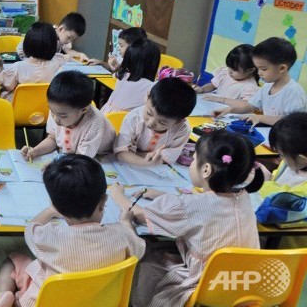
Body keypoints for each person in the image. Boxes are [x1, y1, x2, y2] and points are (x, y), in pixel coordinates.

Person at [111, 130, 263, 307]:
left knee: (146, 259)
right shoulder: (243, 197)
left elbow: (141, 216)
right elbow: (201, 205)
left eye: (194, 158)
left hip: (207, 287)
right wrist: (161, 195)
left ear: (206, 169)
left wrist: (118, 195)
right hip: (245, 285)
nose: (191, 163)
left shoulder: (193, 206)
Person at [0, 154, 145, 307]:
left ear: (57, 205)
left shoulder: (49, 236)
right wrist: (126, 222)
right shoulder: (121, 235)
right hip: (99, 301)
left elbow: (30, 229)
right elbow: (138, 245)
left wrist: (50, 211)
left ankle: (4, 296)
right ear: (103, 201)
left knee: (13, 259)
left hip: (44, 302)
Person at [22, 71, 115, 160]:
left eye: (63, 116)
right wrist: (36, 151)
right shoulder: (58, 111)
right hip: (72, 157)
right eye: (52, 112)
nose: (56, 119)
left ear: (84, 110)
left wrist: (59, 166)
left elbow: (82, 159)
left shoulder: (95, 123)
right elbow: (53, 139)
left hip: (101, 159)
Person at [214, 37, 307, 125]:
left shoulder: (294, 92)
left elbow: (292, 123)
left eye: (263, 69)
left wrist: (260, 118)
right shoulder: (267, 86)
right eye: (258, 68)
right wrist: (230, 110)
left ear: (282, 68)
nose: (259, 73)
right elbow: (250, 106)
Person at [114, 78, 196, 166]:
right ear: (147, 96)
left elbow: (168, 158)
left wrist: (135, 154)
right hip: (128, 166)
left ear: (179, 121)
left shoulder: (182, 129)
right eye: (149, 113)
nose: (150, 123)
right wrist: (144, 162)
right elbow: (121, 152)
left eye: (162, 122)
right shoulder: (134, 118)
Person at [0, 22, 66, 101]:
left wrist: (0, 67)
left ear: (26, 44)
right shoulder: (57, 63)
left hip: (19, 108)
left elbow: (6, 85)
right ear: (53, 45)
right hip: (44, 106)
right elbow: (64, 58)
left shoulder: (17, 68)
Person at [100, 38, 161, 114]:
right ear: (153, 64)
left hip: (105, 114)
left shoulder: (123, 75)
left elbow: (115, 75)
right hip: (121, 120)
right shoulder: (151, 86)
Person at [193, 44, 259, 105]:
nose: (229, 71)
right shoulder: (225, 73)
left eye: (234, 70)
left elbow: (246, 104)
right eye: (229, 67)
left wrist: (222, 100)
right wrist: (202, 89)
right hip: (213, 106)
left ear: (250, 70)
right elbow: (213, 85)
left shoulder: (250, 87)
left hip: (228, 114)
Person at [259, 112, 307, 195]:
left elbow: (280, 202)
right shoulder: (293, 163)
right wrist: (271, 177)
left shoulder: (303, 190)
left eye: (282, 155)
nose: (281, 158)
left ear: (302, 159)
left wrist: (266, 182)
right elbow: (278, 176)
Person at [17, 13, 89, 61]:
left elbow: (67, 49)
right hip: (27, 62)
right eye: (69, 38)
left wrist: (80, 54)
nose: (69, 41)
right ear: (61, 29)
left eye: (73, 39)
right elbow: (22, 49)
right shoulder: (45, 35)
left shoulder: (61, 38)